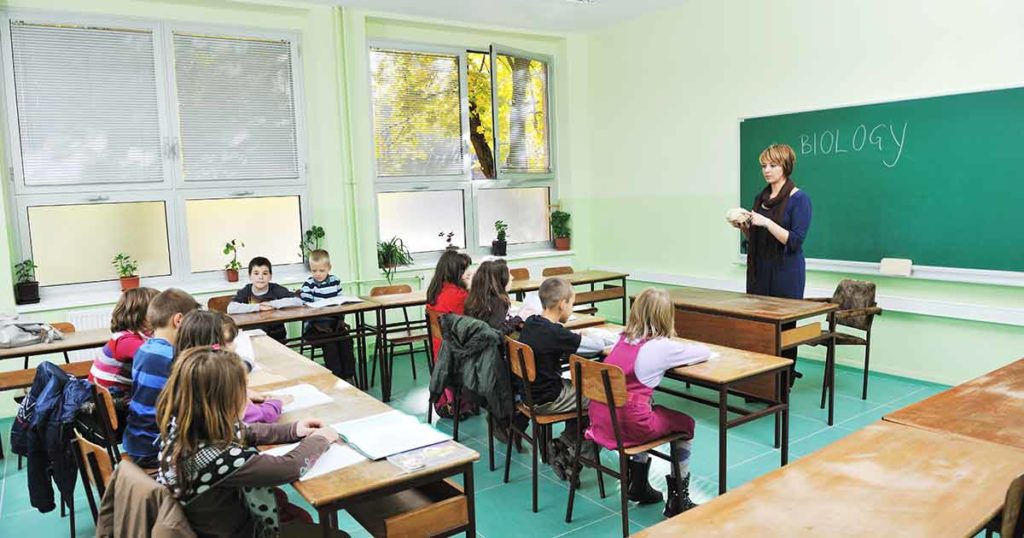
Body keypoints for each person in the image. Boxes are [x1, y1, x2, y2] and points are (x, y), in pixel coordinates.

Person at [156, 346, 338, 537]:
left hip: (213, 524)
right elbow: (289, 467)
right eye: (243, 391)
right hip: (239, 532)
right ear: (224, 401)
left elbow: (246, 431)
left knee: (296, 514)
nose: (248, 399)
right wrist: (321, 439)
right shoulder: (221, 459)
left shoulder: (182, 427)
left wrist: (293, 430)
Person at [585, 288, 709, 517]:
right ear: (665, 316)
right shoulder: (661, 346)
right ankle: (679, 499)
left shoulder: (622, 339)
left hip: (601, 420)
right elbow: (703, 351)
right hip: (629, 426)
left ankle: (638, 484)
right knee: (686, 424)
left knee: (648, 407)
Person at [733, 143, 812, 370]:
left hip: (786, 275)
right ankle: (760, 382)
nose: (767, 170)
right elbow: (756, 236)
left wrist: (766, 222)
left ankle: (782, 384)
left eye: (773, 165)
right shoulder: (761, 197)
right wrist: (743, 226)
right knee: (758, 330)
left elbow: (795, 240)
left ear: (785, 167)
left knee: (784, 333)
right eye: (764, 166)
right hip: (760, 273)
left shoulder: (800, 199)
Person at [517, 277, 605, 479]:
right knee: (602, 400)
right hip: (548, 398)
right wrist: (585, 336)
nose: (571, 308)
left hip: (529, 395)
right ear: (563, 304)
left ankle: (565, 442)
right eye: (572, 304)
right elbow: (597, 347)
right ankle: (572, 454)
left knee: (582, 391)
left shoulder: (532, 323)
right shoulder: (555, 333)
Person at [123, 288, 200, 468]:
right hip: (155, 448)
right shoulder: (171, 357)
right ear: (179, 320)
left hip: (137, 440)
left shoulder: (144, 349)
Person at [175, 310, 289, 424]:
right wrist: (276, 403)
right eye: (228, 342)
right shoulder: (215, 376)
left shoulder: (184, 368)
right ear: (210, 346)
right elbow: (259, 414)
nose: (234, 346)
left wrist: (243, 392)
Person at [425, 249, 473, 418]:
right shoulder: (459, 295)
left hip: (439, 353)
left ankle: (452, 400)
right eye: (465, 270)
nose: (468, 273)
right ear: (456, 272)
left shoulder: (435, 291)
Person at [88, 287, 159, 396]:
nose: (164, 315)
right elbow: (156, 356)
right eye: (159, 311)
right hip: (111, 404)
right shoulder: (124, 341)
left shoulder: (135, 336)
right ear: (140, 315)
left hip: (117, 397)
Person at [298, 249, 355, 382]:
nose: (317, 274)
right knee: (331, 344)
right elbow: (305, 305)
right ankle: (336, 378)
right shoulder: (308, 285)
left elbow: (340, 300)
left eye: (321, 271)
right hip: (316, 327)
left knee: (346, 341)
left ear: (329, 268)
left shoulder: (335, 281)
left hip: (335, 325)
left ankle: (348, 376)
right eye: (314, 271)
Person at [227, 257, 303, 343]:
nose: (261, 277)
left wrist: (272, 304)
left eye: (265, 273)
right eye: (256, 273)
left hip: (277, 338)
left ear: (270, 276)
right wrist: (258, 306)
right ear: (250, 276)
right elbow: (231, 308)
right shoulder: (246, 291)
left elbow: (298, 301)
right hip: (253, 337)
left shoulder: (276, 289)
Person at [464, 259, 520, 336]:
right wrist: (517, 319)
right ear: (500, 280)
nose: (512, 277)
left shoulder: (474, 298)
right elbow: (496, 333)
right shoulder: (498, 302)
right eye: (508, 274)